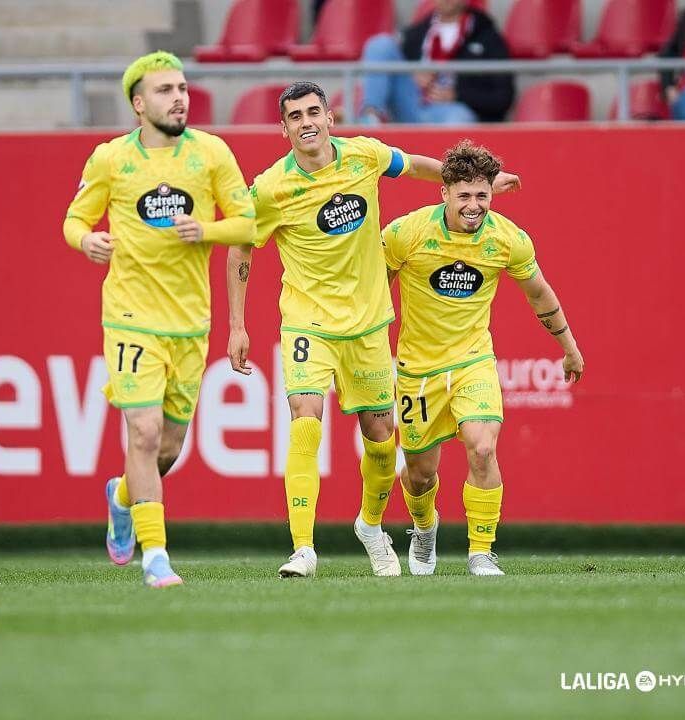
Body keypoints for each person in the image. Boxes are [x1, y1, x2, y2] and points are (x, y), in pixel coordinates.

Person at [225, 81, 520, 578]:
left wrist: (479, 183)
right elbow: (239, 248)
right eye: (295, 116)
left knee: (382, 441)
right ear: (284, 128)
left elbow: (419, 167)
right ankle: (303, 547)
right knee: (305, 417)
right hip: (307, 321)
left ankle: (370, 526)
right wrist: (237, 326)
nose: (306, 123)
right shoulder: (271, 187)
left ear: (330, 118)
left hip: (366, 326)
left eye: (314, 112)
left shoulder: (364, 155)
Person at [62, 51, 256, 588]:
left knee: (166, 448)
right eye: (167, 90)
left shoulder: (212, 153)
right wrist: (87, 240)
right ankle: (156, 558)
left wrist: (207, 232)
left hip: (190, 323)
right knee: (142, 433)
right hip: (130, 316)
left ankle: (122, 497)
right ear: (139, 104)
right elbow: (74, 219)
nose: (180, 98)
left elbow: (247, 224)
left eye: (184, 88)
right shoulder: (110, 160)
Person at [383, 141, 583, 577]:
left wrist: (568, 346)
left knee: (483, 447)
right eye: (464, 196)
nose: (474, 206)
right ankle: (424, 528)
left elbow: (539, 294)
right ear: (443, 193)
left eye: (482, 196)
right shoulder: (406, 234)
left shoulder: (507, 239)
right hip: (416, 370)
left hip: (473, 362)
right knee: (419, 476)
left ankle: (481, 551)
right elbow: (375, 289)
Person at [358, 0, 514, 124]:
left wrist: (458, 94)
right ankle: (371, 118)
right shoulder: (416, 32)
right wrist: (413, 75)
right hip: (412, 103)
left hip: (453, 111)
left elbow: (503, 97)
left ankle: (447, 163)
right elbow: (395, 73)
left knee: (458, 121)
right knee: (380, 44)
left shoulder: (488, 37)